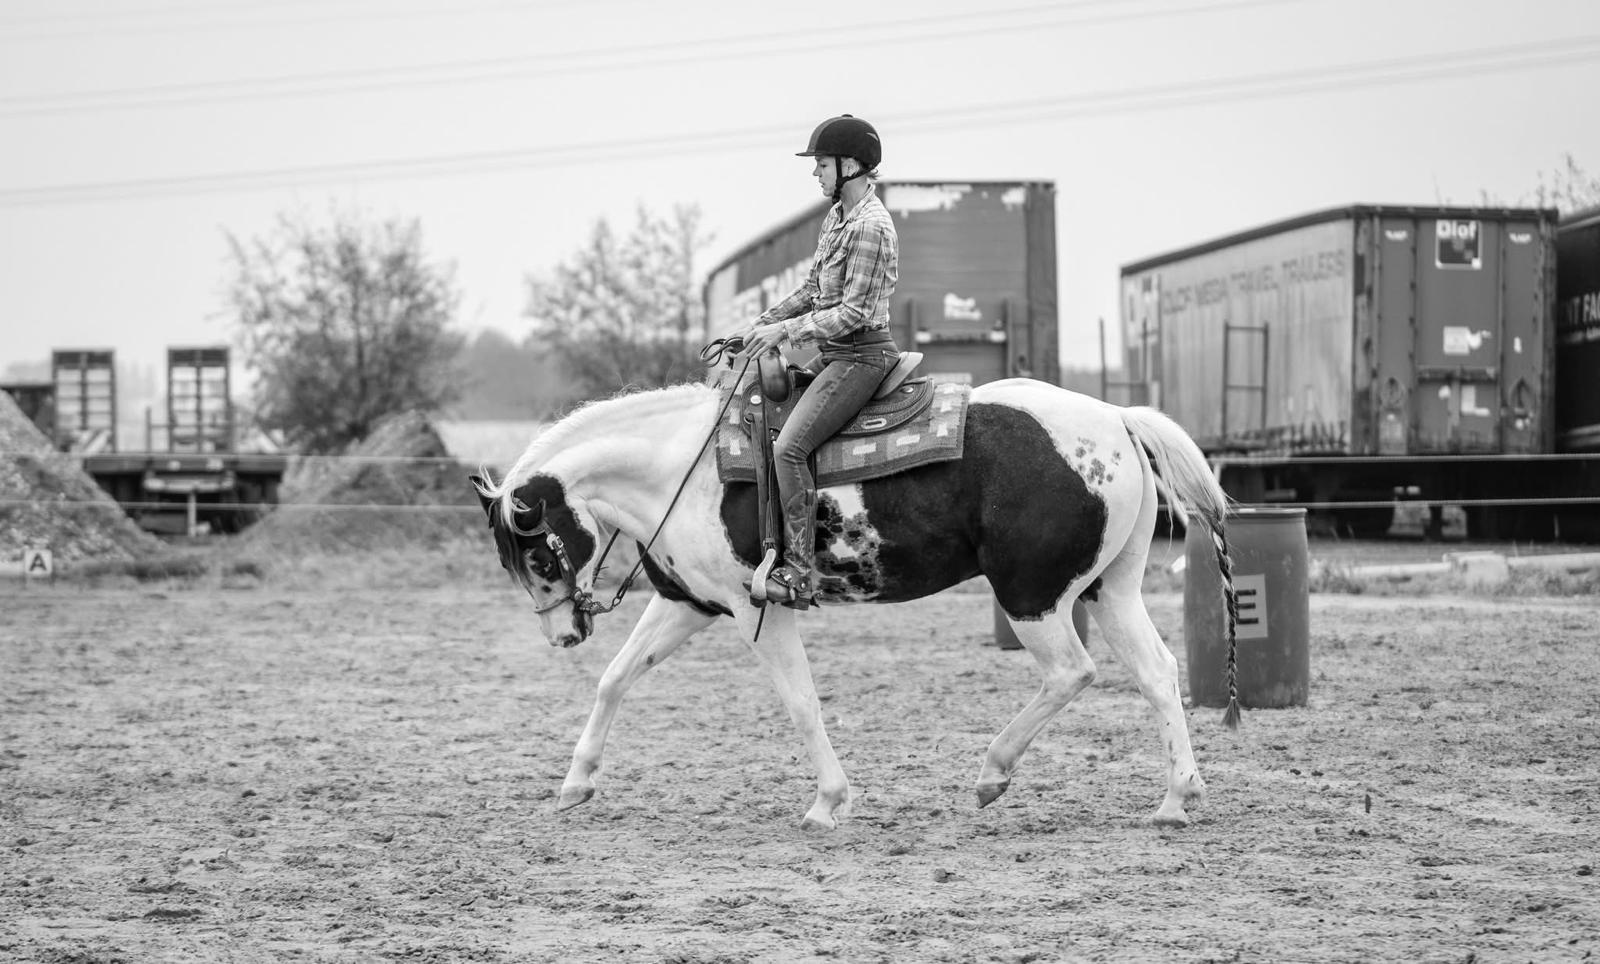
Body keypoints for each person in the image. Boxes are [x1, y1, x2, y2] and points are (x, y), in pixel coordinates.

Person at [739, 114, 901, 608]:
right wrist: (757, 327)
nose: (816, 173)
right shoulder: (836, 218)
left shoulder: (872, 227)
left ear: (850, 166)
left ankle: (799, 571)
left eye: (822, 164)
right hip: (836, 354)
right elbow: (813, 290)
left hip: (861, 357)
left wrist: (784, 333)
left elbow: (852, 312)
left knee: (789, 448)